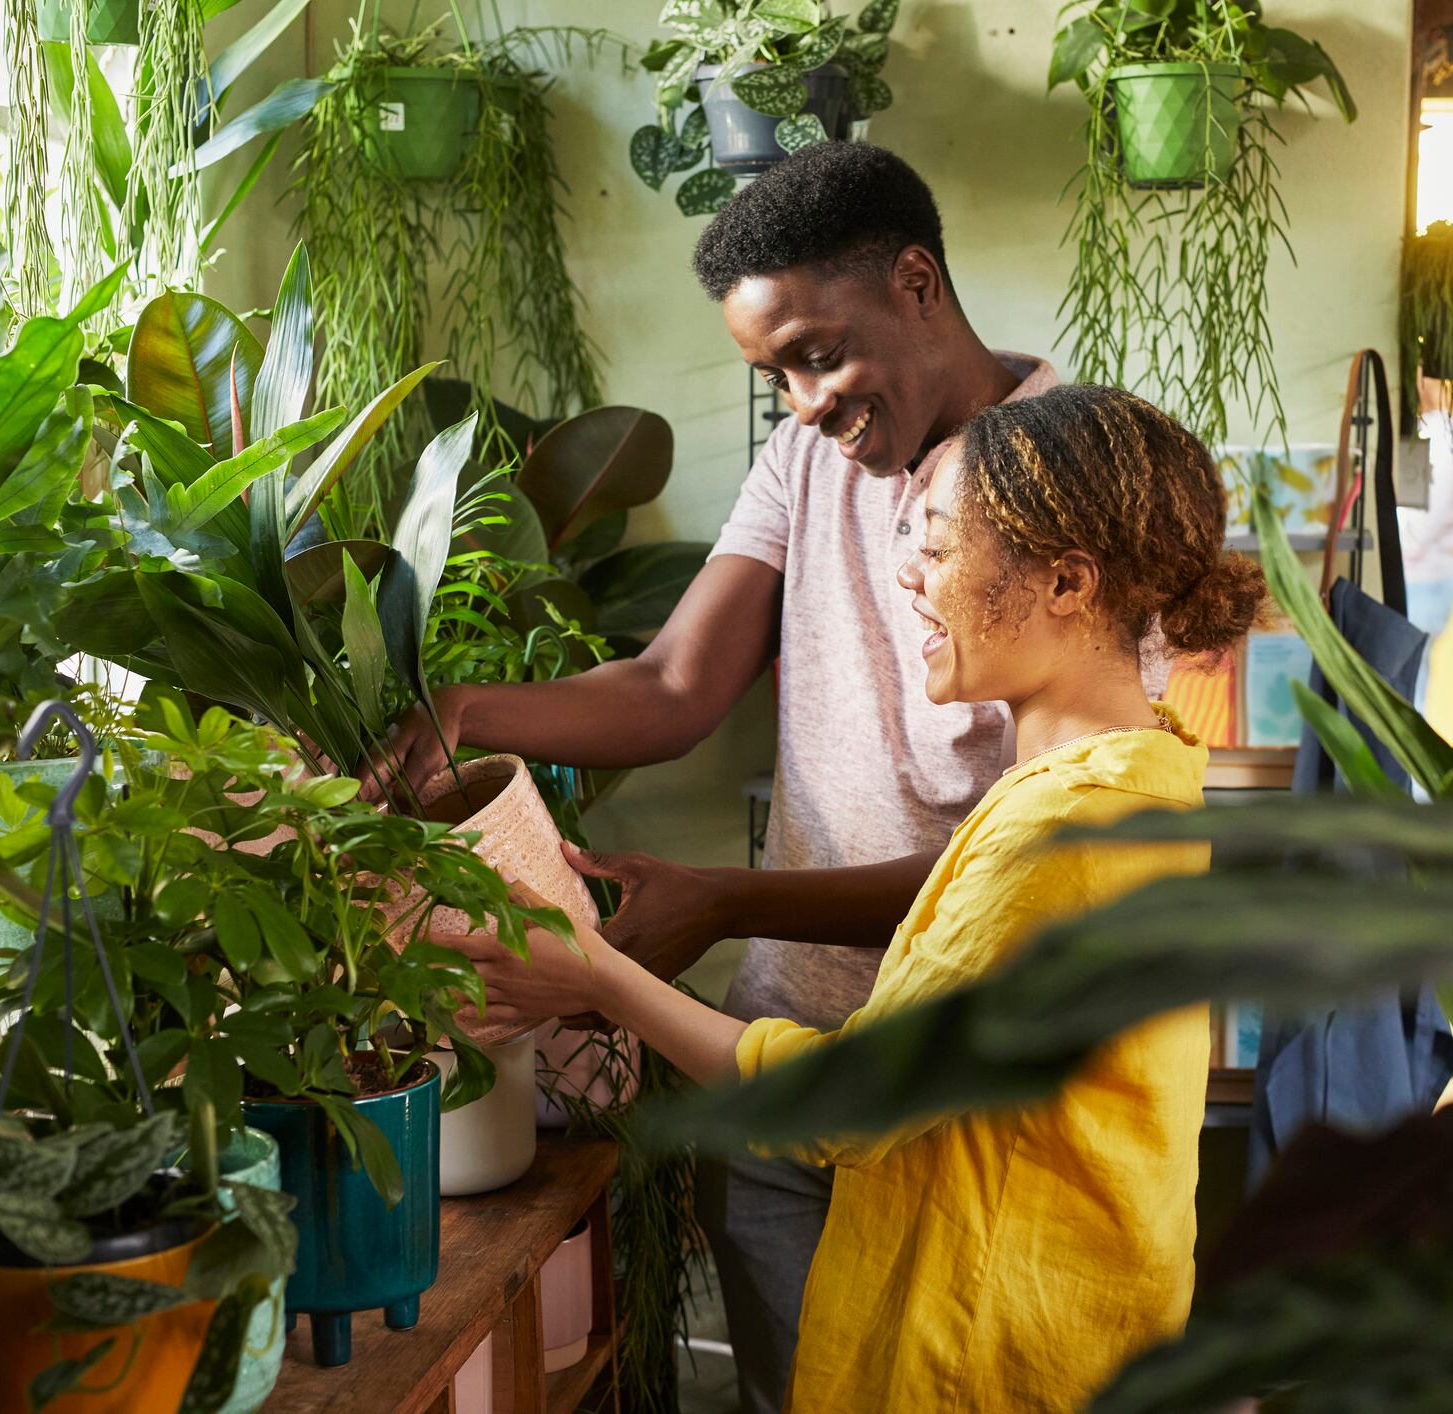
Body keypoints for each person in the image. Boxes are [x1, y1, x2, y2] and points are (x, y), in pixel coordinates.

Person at [363, 142, 1065, 1411]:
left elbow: (1027, 862)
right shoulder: (813, 462)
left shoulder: (1080, 480)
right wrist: (462, 711)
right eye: (773, 373)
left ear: (917, 283)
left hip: (968, 1095)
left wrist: (727, 899)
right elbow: (678, 684)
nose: (801, 402)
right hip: (773, 1054)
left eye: (815, 353)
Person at [445, 383, 1265, 1410]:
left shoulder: (1065, 832)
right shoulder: (1132, 787)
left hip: (990, 1366)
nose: (909, 577)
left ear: (1067, 580)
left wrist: (599, 974)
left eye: (942, 544)